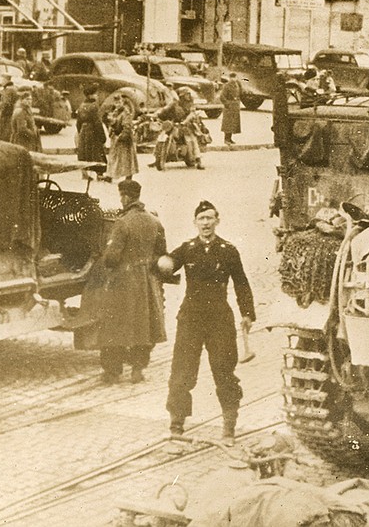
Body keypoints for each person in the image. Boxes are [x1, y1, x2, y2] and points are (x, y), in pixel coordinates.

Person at [164, 200, 255, 444]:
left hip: (219, 319)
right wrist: (163, 264)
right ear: (195, 223)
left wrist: (247, 313)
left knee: (224, 371)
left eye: (209, 218)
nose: (205, 223)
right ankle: (176, 425)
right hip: (191, 318)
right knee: (182, 371)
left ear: (217, 220)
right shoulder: (187, 249)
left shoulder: (228, 250)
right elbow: (168, 264)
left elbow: (241, 282)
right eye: (201, 219)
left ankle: (229, 428)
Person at [82, 179, 167, 384]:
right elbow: (162, 252)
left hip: (123, 281)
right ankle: (138, 369)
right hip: (147, 281)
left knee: (113, 325)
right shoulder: (154, 221)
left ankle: (112, 371)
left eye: (121, 196)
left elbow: (112, 258)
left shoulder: (122, 223)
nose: (121, 200)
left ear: (126, 197)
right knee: (144, 324)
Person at [76, 85, 107, 180]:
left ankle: (84, 174)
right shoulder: (94, 106)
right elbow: (97, 122)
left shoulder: (81, 106)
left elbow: (78, 123)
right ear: (90, 96)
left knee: (84, 153)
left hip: (83, 131)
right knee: (97, 153)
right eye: (95, 94)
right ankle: (100, 174)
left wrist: (81, 132)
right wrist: (103, 137)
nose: (97, 96)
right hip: (93, 132)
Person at [105, 105, 138, 183]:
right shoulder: (115, 112)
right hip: (115, 138)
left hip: (123, 140)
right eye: (116, 101)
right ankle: (110, 175)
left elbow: (127, 127)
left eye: (119, 101)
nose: (117, 104)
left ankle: (128, 176)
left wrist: (122, 136)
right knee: (113, 158)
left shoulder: (126, 113)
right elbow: (111, 123)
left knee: (126, 159)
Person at [219, 72, 242, 146]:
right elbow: (222, 96)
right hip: (229, 106)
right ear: (230, 78)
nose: (233, 79)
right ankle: (226, 139)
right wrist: (227, 104)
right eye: (232, 77)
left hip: (235, 106)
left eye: (235, 77)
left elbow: (240, 93)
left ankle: (230, 139)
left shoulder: (238, 84)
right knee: (228, 124)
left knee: (233, 124)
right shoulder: (227, 86)